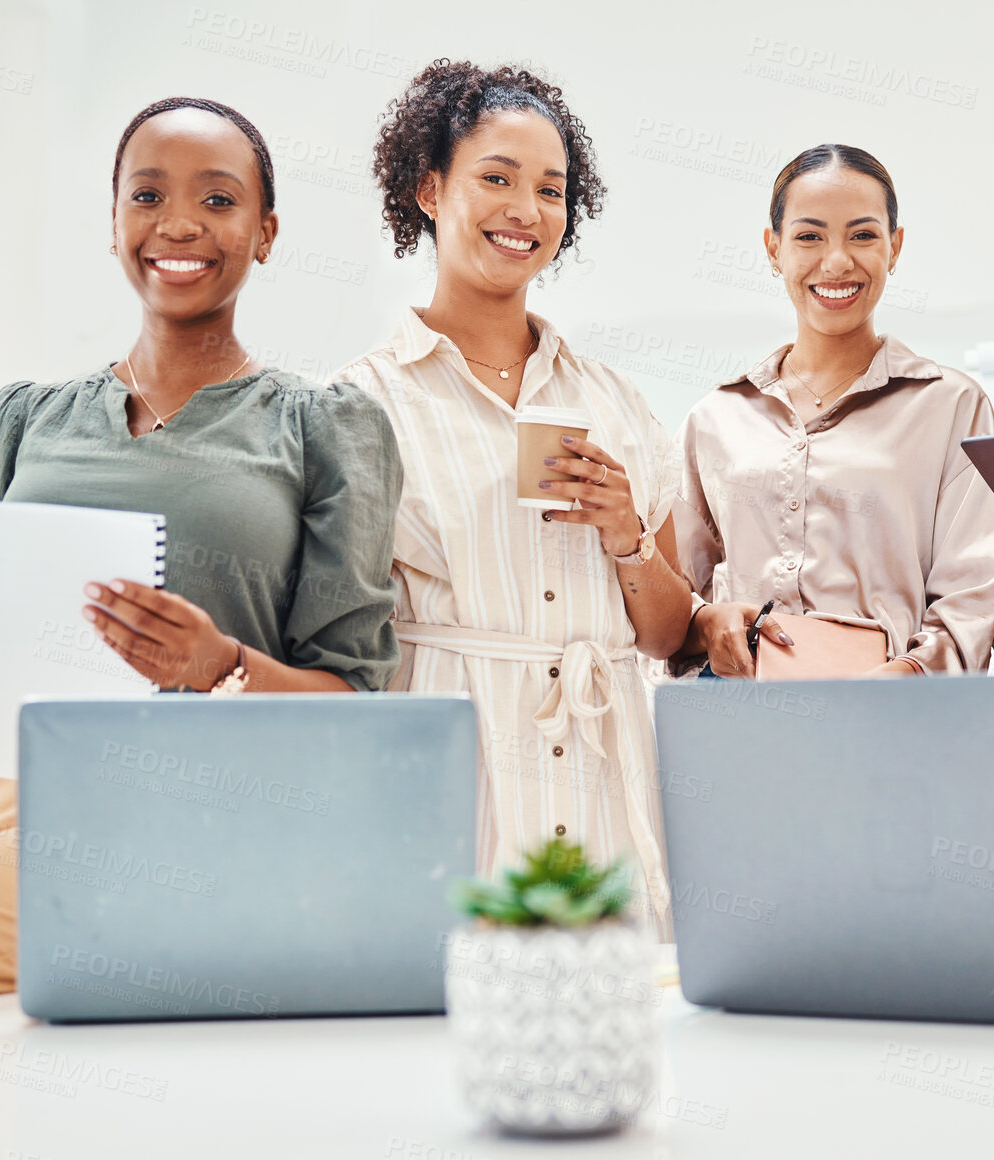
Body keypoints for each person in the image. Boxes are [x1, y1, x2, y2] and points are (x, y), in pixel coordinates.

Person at [0, 97, 402, 1040]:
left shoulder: (324, 427)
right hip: (10, 818)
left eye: (218, 199)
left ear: (266, 233)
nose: (178, 224)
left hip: (204, 817)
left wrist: (222, 667)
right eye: (147, 195)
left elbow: (356, 705)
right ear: (114, 222)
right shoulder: (24, 419)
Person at [338, 61, 691, 926]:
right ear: (429, 188)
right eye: (495, 178)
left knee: (611, 1025)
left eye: (551, 189)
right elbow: (335, 638)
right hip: (452, 771)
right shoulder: (357, 404)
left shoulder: (617, 399)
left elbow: (668, 634)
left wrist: (626, 535)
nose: (525, 211)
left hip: (605, 775)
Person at [674, 145, 994, 677]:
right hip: (740, 719)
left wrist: (909, 677)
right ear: (773, 248)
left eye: (863, 235)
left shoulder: (954, 406)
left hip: (895, 725)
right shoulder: (715, 417)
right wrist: (707, 620)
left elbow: (974, 597)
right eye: (809, 236)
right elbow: (678, 599)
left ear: (894, 248)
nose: (836, 261)